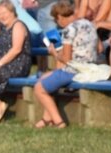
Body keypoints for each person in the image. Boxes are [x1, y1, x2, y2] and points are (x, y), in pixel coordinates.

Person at [33, 0, 99, 128]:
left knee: (39, 88)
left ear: (59, 17)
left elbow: (67, 60)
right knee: (44, 78)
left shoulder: (69, 30)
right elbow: (100, 48)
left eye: (57, 21)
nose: (58, 24)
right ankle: (47, 118)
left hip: (75, 70)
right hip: (91, 67)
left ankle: (59, 122)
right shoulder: (89, 24)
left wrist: (54, 53)